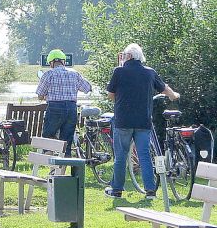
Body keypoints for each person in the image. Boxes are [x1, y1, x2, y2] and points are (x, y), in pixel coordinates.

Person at [104, 43, 180, 199]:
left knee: (121, 156)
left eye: (124, 55)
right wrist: (174, 96)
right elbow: (164, 88)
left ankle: (117, 189)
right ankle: (150, 191)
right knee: (144, 155)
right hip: (143, 122)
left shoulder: (119, 71)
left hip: (123, 121)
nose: (123, 57)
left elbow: (110, 95)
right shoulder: (149, 73)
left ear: (130, 56)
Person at [36, 48, 92, 158]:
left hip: (55, 108)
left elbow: (40, 96)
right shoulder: (74, 74)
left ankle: (52, 169)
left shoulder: (48, 74)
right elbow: (87, 88)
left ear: (51, 63)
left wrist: (46, 95)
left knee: (48, 138)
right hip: (71, 108)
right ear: (63, 61)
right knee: (67, 140)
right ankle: (63, 168)